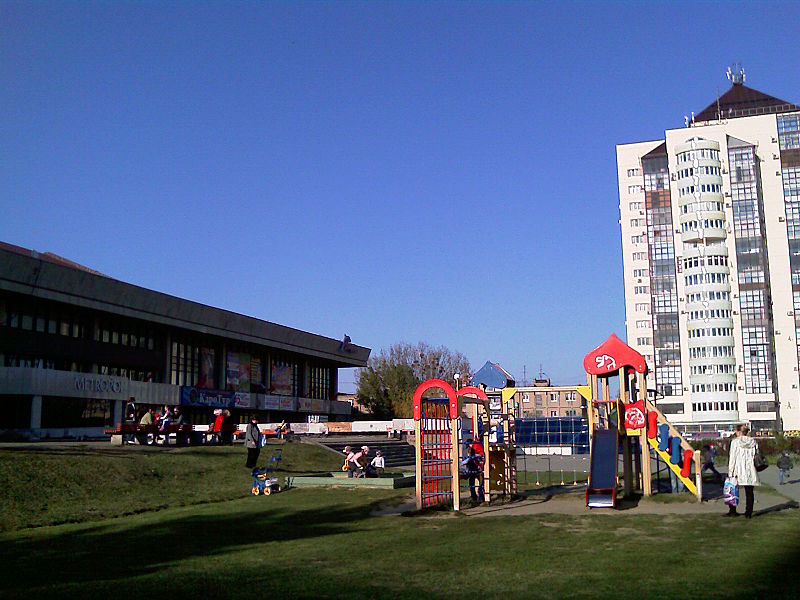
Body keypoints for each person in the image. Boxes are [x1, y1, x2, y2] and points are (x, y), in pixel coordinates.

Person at [726, 425, 760, 518]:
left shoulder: (735, 442)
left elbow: (732, 457)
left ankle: (732, 510)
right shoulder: (753, 441)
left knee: (732, 489)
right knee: (749, 492)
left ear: (739, 432)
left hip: (738, 468)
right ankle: (748, 512)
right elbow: (756, 454)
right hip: (750, 469)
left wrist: (730, 471)